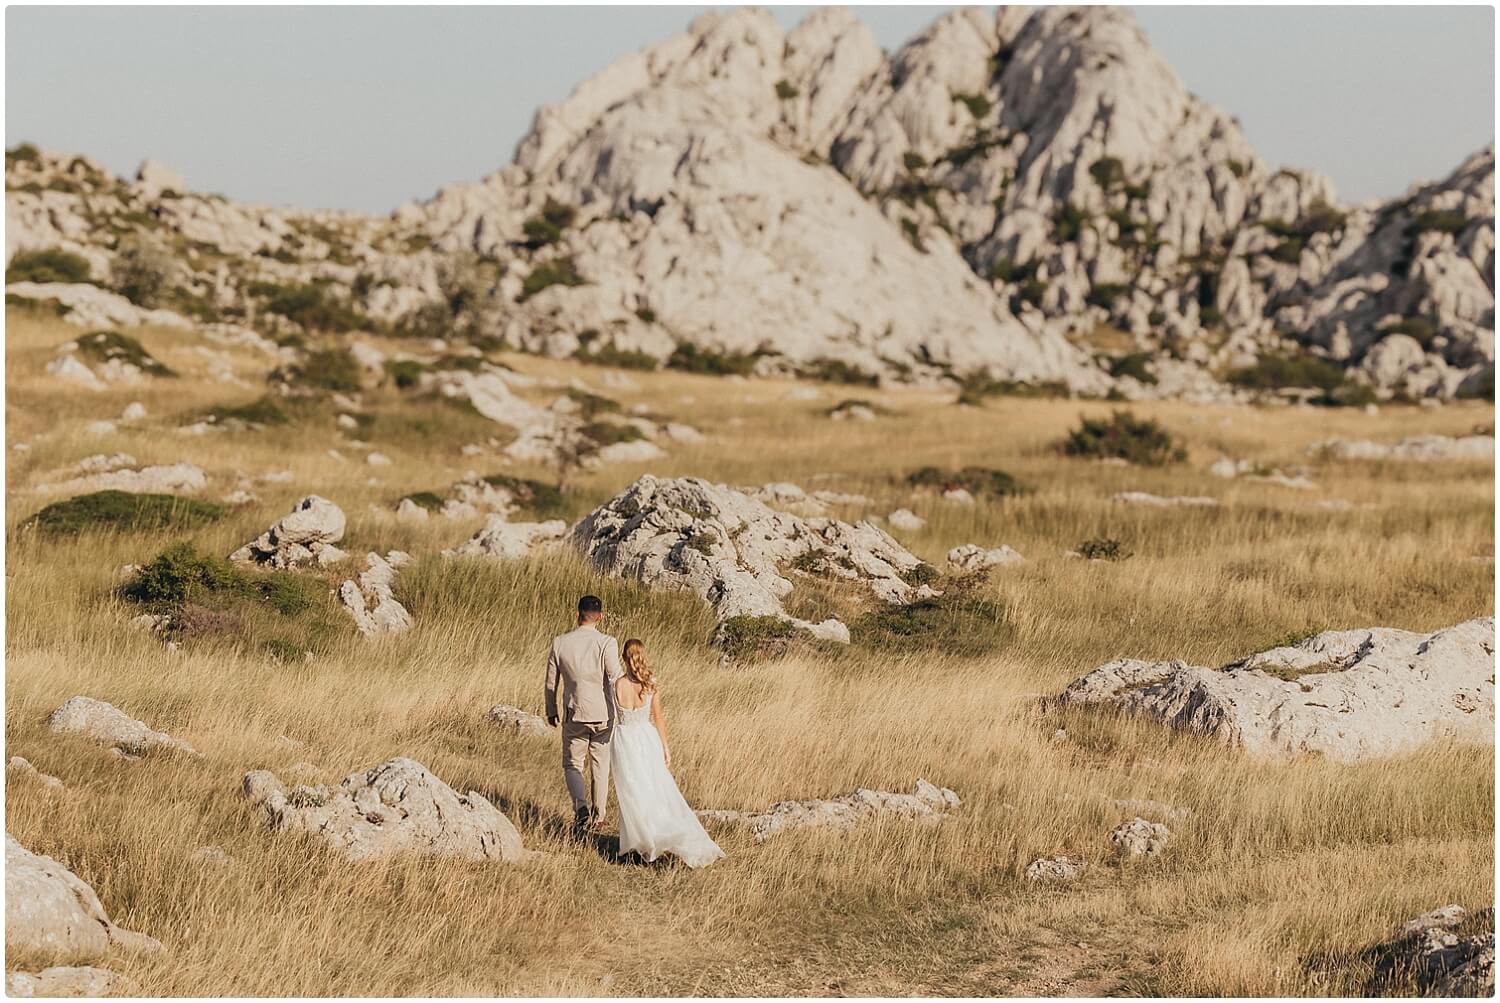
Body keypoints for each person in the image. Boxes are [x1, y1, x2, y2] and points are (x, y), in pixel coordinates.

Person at [610, 638, 724, 868]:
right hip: (646, 737)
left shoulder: (616, 684)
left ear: (623, 658)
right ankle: (654, 839)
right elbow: (659, 718)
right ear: (643, 655)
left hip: (624, 740)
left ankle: (637, 844)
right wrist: (665, 746)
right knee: (654, 788)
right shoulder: (650, 682)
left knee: (631, 792)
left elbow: (612, 716)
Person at [545, 595, 623, 832]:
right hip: (602, 713)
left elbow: (551, 682)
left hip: (574, 712)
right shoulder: (607, 642)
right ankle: (598, 816)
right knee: (600, 765)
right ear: (600, 616)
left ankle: (581, 807)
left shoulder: (560, 643)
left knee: (572, 764)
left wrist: (551, 710)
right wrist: (625, 708)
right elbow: (615, 676)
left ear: (576, 614)